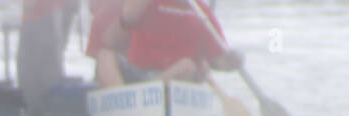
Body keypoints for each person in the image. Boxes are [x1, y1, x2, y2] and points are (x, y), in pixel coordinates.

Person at [96, 0, 243, 88]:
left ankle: (148, 93)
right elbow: (111, 40)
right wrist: (128, 15)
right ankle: (125, 102)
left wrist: (236, 58)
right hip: (138, 73)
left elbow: (220, 61)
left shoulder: (202, 13)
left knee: (188, 66)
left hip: (173, 82)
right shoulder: (145, 3)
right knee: (104, 56)